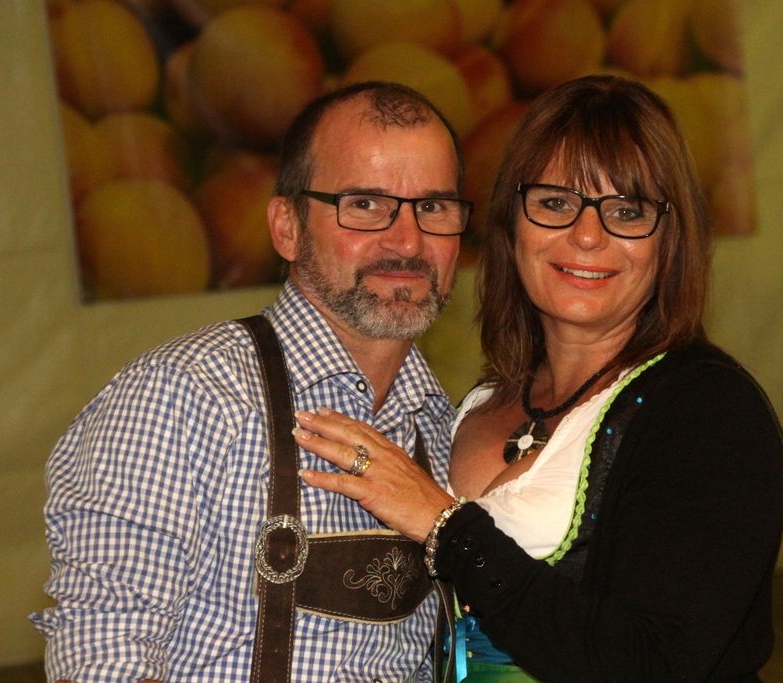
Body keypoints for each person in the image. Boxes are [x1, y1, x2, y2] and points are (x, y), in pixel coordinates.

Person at [292, 75, 783, 682]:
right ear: (511, 225)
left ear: (670, 241)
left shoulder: (708, 413)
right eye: (555, 203)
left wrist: (446, 527)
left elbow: (653, 664)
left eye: (627, 211)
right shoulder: (473, 406)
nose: (587, 235)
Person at [31, 81, 472, 681]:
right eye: (366, 204)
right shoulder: (184, 396)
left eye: (434, 207)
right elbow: (105, 655)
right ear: (286, 227)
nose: (408, 240)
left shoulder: (444, 428)